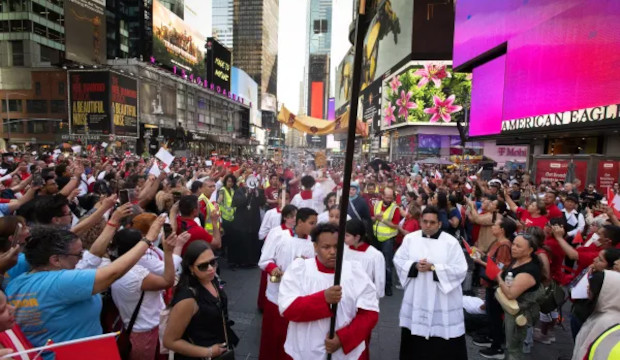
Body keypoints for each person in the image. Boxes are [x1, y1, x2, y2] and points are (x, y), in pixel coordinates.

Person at [6, 217, 164, 352]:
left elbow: (93, 256)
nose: (81, 258)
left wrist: (113, 221)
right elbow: (112, 273)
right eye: (78, 254)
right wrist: (147, 239)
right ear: (55, 260)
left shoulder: (16, 283)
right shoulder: (60, 282)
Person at [278, 223, 379, 360]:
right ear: (315, 247)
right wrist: (323, 299)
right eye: (326, 247)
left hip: (344, 352)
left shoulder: (355, 272)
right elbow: (288, 308)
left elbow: (369, 312)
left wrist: (343, 338)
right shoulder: (299, 270)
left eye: (337, 247)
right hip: (305, 349)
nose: (332, 252)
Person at [394, 206, 469, 360]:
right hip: (417, 294)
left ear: (439, 224)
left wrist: (434, 268)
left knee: (440, 341)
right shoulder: (410, 239)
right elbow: (399, 260)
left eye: (432, 222)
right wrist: (414, 266)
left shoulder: (451, 242)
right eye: (425, 221)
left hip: (441, 299)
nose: (428, 225)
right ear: (420, 221)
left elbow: (460, 269)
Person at [111, 228, 189, 360]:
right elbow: (167, 281)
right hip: (144, 330)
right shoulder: (135, 275)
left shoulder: (116, 267)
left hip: (143, 325)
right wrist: (170, 251)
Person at [257, 207, 317, 360]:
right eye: (311, 223)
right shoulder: (279, 234)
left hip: (298, 297)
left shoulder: (313, 243)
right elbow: (265, 260)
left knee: (293, 340)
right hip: (276, 295)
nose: (314, 227)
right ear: (300, 222)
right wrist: (274, 269)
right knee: (273, 336)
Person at [163, 241, 239, 360]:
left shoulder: (212, 280)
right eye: (203, 266)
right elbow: (169, 341)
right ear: (191, 268)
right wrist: (207, 352)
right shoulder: (187, 299)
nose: (210, 269)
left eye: (213, 262)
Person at [493, 233, 543, 360]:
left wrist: (499, 278)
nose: (513, 248)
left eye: (518, 246)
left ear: (530, 250)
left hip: (520, 316)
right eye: (513, 244)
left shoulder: (529, 270)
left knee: (514, 349)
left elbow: (510, 294)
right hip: (511, 312)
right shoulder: (518, 260)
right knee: (509, 345)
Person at [472, 217, 517, 357]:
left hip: (496, 285)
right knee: (491, 314)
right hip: (491, 284)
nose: (492, 227)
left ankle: (496, 347)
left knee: (495, 316)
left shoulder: (504, 245)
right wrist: (481, 253)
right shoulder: (498, 243)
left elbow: (499, 268)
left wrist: (480, 261)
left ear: (502, 230)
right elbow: (492, 259)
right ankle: (492, 338)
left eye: (495, 225)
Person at [571, 270, 620, 360]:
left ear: (604, 291)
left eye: (592, 287)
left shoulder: (606, 322)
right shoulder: (603, 312)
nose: (587, 288)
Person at [372, 187, 401, 296]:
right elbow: (372, 218)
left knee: (387, 264)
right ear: (382, 196)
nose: (389, 199)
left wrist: (382, 219)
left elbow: (395, 225)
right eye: (387, 197)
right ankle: (376, 284)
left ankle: (388, 287)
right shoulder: (377, 205)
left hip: (388, 239)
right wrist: (375, 218)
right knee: (375, 263)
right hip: (376, 237)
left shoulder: (395, 208)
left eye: (391, 197)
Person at [229, 181, 265, 267]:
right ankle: (240, 261)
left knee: (253, 240)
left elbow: (263, 202)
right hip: (242, 220)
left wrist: (256, 194)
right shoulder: (239, 191)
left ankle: (252, 261)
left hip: (253, 220)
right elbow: (236, 203)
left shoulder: (258, 191)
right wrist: (246, 194)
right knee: (242, 240)